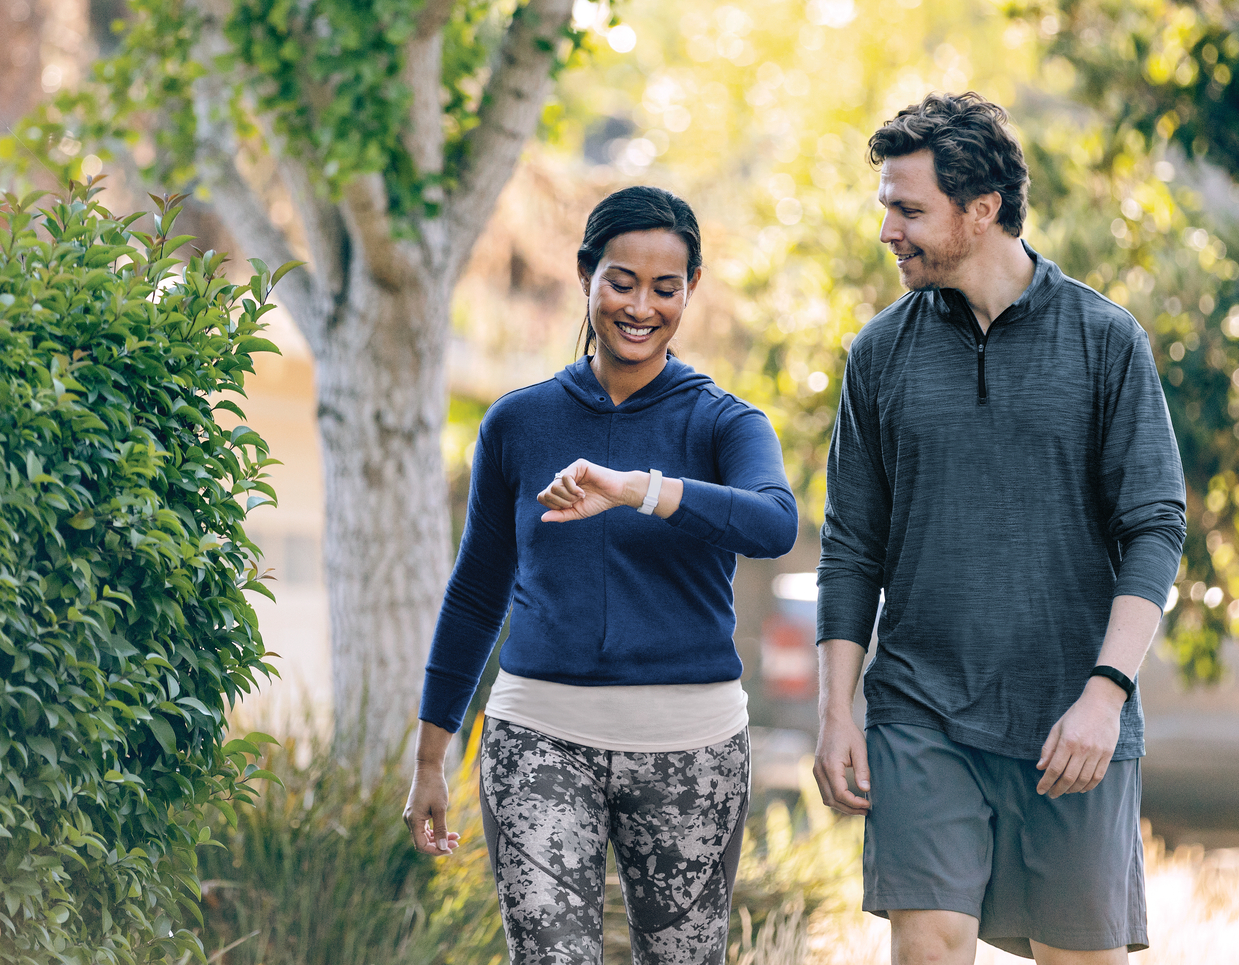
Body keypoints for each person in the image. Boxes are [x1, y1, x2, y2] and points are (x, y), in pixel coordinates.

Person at [814, 93, 1187, 965]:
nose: (888, 231)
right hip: (922, 710)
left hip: (1072, 715)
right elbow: (850, 545)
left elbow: (1156, 527)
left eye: (909, 209)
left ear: (981, 210)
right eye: (886, 207)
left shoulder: (1104, 340)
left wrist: (1106, 694)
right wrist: (838, 710)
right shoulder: (878, 354)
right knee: (931, 945)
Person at [406, 184, 799, 965]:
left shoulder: (725, 422)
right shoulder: (518, 422)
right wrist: (429, 755)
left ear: (691, 290)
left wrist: (636, 489)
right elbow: (478, 591)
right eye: (621, 280)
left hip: (692, 745)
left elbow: (773, 522)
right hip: (541, 738)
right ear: (586, 273)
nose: (641, 306)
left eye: (667, 287)